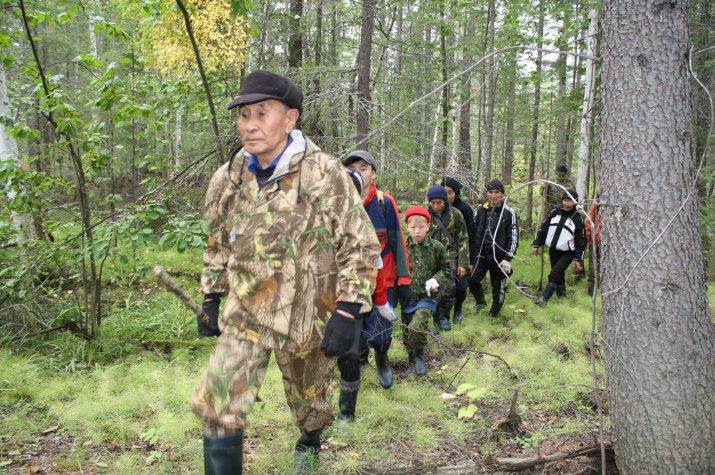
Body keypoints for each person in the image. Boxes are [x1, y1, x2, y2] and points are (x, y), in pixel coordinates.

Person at [193, 70, 381, 475]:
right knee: (220, 403)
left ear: (291, 117)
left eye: (262, 113)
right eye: (244, 115)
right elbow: (219, 241)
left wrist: (349, 310)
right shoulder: (229, 177)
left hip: (307, 316)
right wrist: (211, 295)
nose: (250, 124)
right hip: (246, 311)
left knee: (310, 402)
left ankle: (310, 441)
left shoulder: (325, 173)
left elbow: (360, 245)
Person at [343, 150, 411, 389]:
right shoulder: (339, 202)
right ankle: (359, 357)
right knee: (353, 328)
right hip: (349, 283)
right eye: (353, 168)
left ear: (373, 173)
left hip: (385, 281)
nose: (359, 173)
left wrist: (403, 279)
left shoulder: (384, 202)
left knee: (382, 331)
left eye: (364, 168)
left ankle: (382, 357)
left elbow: (397, 242)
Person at [335, 167, 397, 423]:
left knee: (350, 352)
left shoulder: (364, 221)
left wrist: (381, 301)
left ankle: (346, 414)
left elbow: (377, 267)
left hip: (355, 298)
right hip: (321, 300)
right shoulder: (313, 217)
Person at [400, 205, 451, 377]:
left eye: (421, 227)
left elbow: (446, 269)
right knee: (407, 331)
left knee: (417, 326)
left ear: (428, 226)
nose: (417, 232)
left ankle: (420, 355)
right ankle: (411, 362)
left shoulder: (436, 247)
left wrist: (436, 279)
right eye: (413, 227)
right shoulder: (402, 248)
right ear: (407, 226)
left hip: (427, 297)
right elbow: (394, 273)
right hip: (407, 296)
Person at [469, 179, 519, 317]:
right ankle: (480, 303)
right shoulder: (480, 210)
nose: (493, 195)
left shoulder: (508, 212)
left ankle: (494, 313)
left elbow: (513, 236)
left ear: (502, 194)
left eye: (496, 192)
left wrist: (508, 258)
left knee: (498, 287)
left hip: (499, 258)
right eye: (490, 192)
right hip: (481, 255)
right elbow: (473, 232)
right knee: (472, 280)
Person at [426, 185, 470, 332]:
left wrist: (463, 263)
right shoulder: (426, 215)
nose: (436, 206)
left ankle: (445, 316)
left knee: (450, 286)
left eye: (439, 202)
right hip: (432, 257)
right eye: (433, 203)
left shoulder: (456, 214)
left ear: (445, 201)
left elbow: (463, 238)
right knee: (433, 288)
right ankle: (436, 319)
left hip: (450, 256)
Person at [532, 189, 586, 305]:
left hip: (568, 251)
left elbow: (581, 239)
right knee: (558, 273)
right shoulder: (555, 213)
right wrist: (537, 243)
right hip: (553, 249)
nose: (567, 204)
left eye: (570, 201)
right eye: (565, 200)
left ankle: (544, 299)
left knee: (555, 273)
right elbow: (544, 229)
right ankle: (562, 296)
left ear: (575, 203)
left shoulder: (577, 218)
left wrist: (577, 258)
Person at [441, 177, 477, 323]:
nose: (448, 196)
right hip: (445, 256)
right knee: (447, 287)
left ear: (456, 193)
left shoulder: (464, 209)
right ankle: (444, 314)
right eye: (444, 193)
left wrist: (470, 260)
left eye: (451, 192)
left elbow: (471, 237)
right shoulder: (438, 210)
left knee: (461, 287)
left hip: (462, 255)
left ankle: (458, 308)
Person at [538, 163, 574, 229]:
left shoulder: (569, 183)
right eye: (559, 174)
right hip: (550, 209)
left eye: (562, 174)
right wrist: (543, 187)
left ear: (566, 172)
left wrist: (565, 196)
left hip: (564, 210)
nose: (560, 176)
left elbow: (573, 197)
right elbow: (541, 193)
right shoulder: (551, 180)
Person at [585, 194, 601, 295]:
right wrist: (586, 241)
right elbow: (588, 223)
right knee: (593, 269)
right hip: (595, 243)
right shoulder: (596, 204)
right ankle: (592, 294)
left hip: (613, 246)